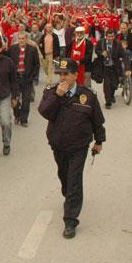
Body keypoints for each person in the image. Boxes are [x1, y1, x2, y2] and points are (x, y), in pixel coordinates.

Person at [38, 58, 106, 239]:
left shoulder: (87, 95)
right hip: (58, 145)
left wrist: (99, 141)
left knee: (74, 180)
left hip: (79, 146)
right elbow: (44, 111)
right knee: (64, 176)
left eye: (66, 74)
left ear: (76, 75)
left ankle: (70, 220)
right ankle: (68, 194)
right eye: (60, 74)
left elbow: (97, 121)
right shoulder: (51, 92)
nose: (62, 77)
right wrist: (57, 96)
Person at [8, 32, 40, 126]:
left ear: (26, 39)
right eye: (20, 39)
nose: (21, 41)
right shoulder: (12, 49)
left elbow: (36, 64)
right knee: (15, 99)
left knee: (26, 100)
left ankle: (24, 120)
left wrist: (33, 76)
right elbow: (7, 61)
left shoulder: (32, 50)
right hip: (16, 78)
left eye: (23, 39)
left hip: (27, 78)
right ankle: (17, 115)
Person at [95, 29, 131, 109]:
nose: (110, 38)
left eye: (112, 36)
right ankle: (108, 102)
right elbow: (97, 50)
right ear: (106, 36)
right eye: (109, 36)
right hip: (105, 67)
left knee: (114, 85)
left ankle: (111, 96)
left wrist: (127, 69)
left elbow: (124, 56)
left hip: (115, 67)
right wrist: (101, 53)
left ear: (114, 36)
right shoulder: (101, 42)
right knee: (107, 85)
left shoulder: (118, 44)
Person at [117, 22, 132, 91]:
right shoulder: (117, 37)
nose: (123, 30)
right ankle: (121, 81)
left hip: (131, 56)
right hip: (120, 57)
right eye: (121, 28)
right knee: (121, 68)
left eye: (124, 28)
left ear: (127, 28)